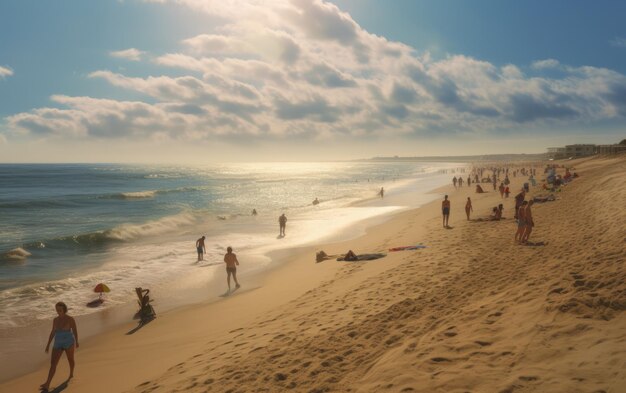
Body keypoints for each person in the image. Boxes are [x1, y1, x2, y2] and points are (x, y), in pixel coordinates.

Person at [40, 302, 78, 391]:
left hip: (68, 342)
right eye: (57, 310)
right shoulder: (55, 320)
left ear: (64, 309)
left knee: (70, 359)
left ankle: (71, 373)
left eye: (60, 310)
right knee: (53, 364)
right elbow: (53, 332)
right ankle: (47, 383)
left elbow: (75, 330)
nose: (58, 311)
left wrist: (77, 341)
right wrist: (48, 345)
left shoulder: (70, 319)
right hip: (58, 343)